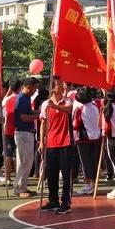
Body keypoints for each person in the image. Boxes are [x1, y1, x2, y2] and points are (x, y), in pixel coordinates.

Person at [40, 77, 75, 214]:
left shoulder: (68, 101)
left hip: (65, 142)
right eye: (60, 84)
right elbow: (43, 123)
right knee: (52, 174)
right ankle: (53, 200)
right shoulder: (45, 104)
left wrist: (55, 107)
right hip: (50, 143)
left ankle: (65, 202)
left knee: (66, 175)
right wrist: (42, 141)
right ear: (52, 88)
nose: (63, 85)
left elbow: (69, 109)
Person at [12, 77, 39, 198]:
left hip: (26, 132)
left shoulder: (26, 98)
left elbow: (29, 113)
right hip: (23, 132)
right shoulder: (22, 98)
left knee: (26, 161)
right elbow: (23, 117)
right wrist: (38, 116)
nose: (36, 90)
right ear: (29, 87)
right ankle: (19, 188)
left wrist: (38, 112)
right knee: (25, 161)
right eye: (35, 88)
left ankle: (22, 186)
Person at [72, 87, 101, 196]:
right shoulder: (95, 106)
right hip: (96, 136)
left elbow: (75, 125)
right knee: (93, 160)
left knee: (85, 162)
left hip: (84, 138)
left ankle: (88, 185)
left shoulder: (80, 109)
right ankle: (93, 182)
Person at [1, 79, 20, 187]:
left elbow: (3, 116)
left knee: (8, 154)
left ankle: (8, 178)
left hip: (7, 130)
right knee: (17, 155)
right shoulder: (22, 99)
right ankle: (17, 177)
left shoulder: (6, 100)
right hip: (18, 130)